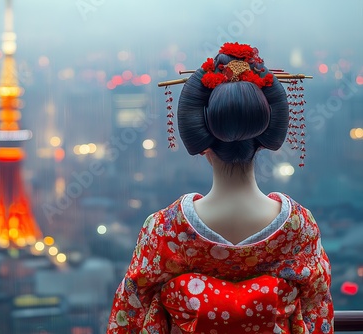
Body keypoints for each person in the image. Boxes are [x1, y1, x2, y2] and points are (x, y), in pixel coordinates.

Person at [107, 42, 333, 334]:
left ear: (201, 142)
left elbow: (130, 317)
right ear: (264, 137)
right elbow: (318, 317)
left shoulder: (164, 230)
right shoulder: (300, 228)